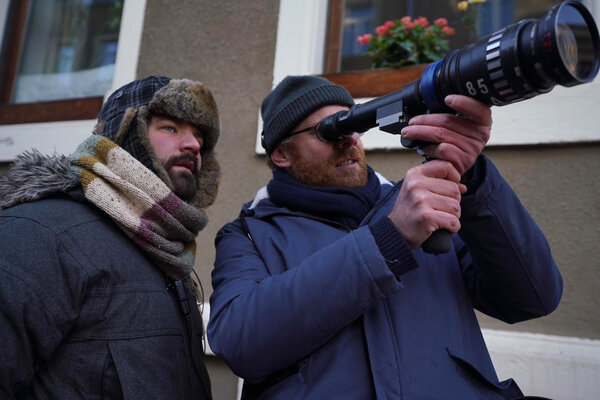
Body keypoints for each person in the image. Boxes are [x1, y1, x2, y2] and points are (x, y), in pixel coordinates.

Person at [207, 75, 563, 399]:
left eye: (353, 123)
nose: (347, 139)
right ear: (282, 154)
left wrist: (475, 179)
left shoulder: (423, 207)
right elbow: (240, 343)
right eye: (326, 130)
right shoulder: (249, 235)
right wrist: (388, 239)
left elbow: (532, 298)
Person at [0, 76, 220, 399]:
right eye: (170, 128)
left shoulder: (167, 252)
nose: (194, 145)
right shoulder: (43, 232)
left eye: (199, 135)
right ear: (126, 134)